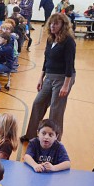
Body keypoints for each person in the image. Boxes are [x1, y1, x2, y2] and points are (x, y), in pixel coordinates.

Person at [21, 13, 76, 142]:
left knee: (56, 110)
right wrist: (41, 77)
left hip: (63, 78)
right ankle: (31, 135)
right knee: (38, 103)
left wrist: (66, 85)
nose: (52, 26)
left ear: (63, 25)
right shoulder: (50, 39)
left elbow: (70, 65)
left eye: (56, 24)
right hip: (49, 76)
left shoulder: (68, 41)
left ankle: (54, 140)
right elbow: (47, 60)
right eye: (51, 23)